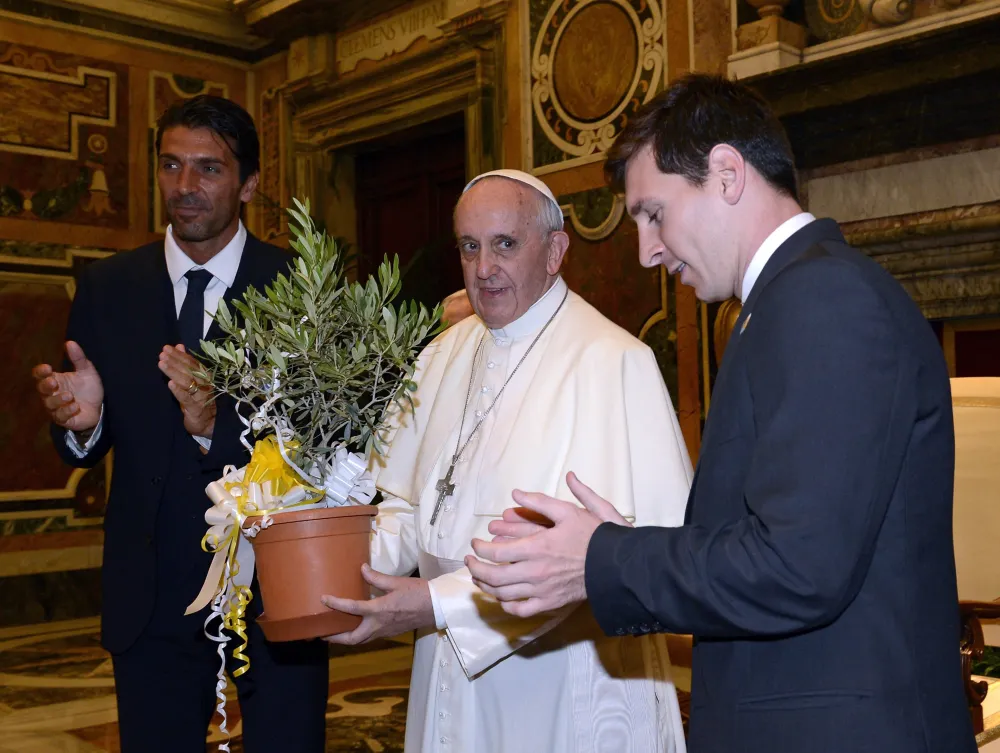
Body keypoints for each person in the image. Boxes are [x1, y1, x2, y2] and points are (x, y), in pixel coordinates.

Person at [466, 75, 978, 753]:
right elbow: (778, 537)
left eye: (654, 212)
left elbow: (800, 565)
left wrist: (604, 558)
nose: (647, 248)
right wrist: (621, 545)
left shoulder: (824, 298)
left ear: (727, 174)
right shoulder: (784, 301)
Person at [320, 169, 692, 753]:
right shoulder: (441, 355)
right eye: (470, 246)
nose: (483, 268)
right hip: (443, 654)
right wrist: (349, 570)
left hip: (563, 675)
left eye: (505, 244)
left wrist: (432, 602)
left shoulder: (615, 361)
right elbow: (405, 503)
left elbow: (599, 563)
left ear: (555, 251)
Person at [32, 95, 329, 753]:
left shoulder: (299, 287)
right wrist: (84, 422)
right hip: (150, 600)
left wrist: (214, 426)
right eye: (171, 166)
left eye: (208, 169)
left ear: (249, 182)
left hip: (276, 590)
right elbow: (83, 438)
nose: (185, 187)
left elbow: (327, 446)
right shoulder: (107, 287)